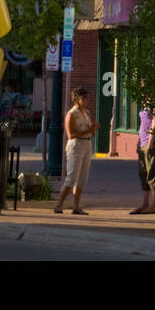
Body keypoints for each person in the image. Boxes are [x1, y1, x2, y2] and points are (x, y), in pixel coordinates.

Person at [55, 87, 98, 215]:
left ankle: (76, 206)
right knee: (72, 177)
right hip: (76, 146)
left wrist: (93, 129)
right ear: (77, 99)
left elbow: (90, 133)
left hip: (87, 144)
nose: (86, 99)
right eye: (83, 97)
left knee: (82, 178)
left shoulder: (87, 113)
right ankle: (59, 205)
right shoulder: (71, 114)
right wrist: (88, 131)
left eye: (87, 97)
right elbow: (71, 134)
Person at [131, 100, 155, 215]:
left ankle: (154, 205)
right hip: (142, 142)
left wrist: (150, 140)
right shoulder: (143, 103)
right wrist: (139, 142)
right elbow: (142, 123)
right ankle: (145, 204)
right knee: (143, 173)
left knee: (152, 172)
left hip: (151, 142)